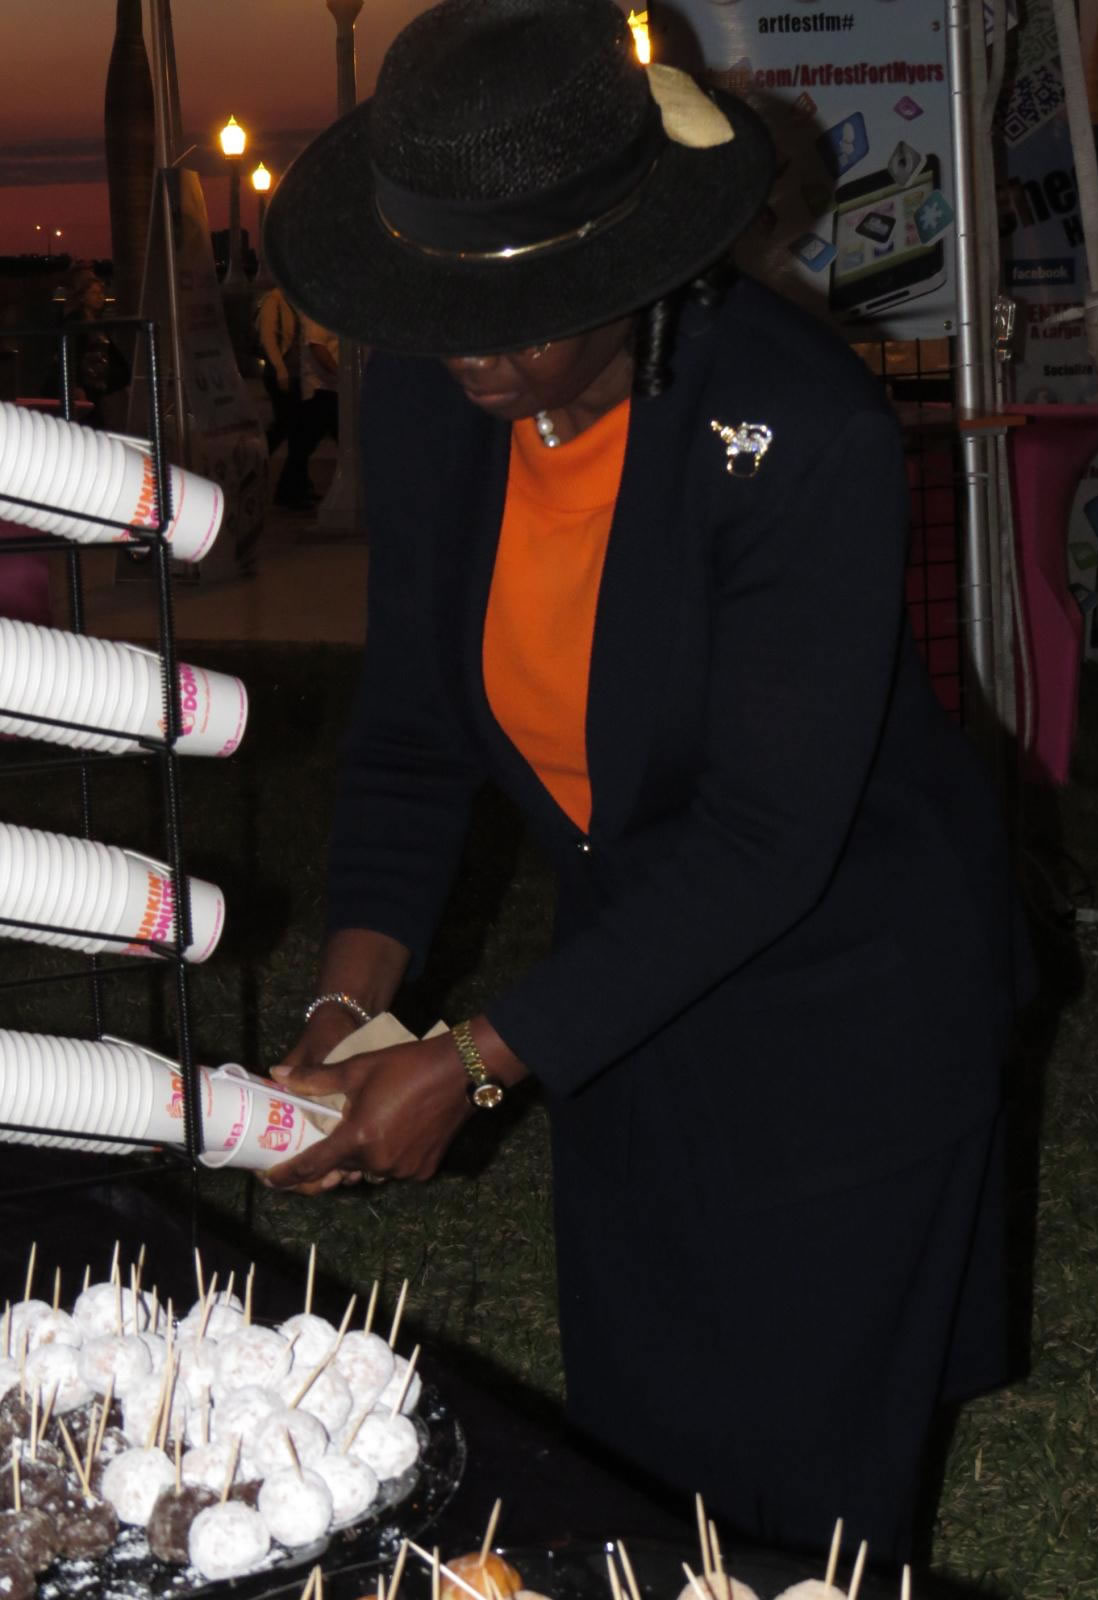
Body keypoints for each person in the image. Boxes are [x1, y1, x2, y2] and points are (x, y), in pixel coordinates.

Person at [262, 0, 1030, 1566]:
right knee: (640, 1459)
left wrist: (475, 1063)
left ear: (630, 262)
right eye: (442, 305)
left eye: (519, 313)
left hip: (854, 1001)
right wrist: (351, 1007)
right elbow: (411, 735)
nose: (475, 352)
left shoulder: (798, 428)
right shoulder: (431, 399)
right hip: (633, 978)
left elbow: (763, 841)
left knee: (803, 1502)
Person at [273, 312, 339, 509]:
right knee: (305, 442)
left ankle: (292, 490)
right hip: (321, 389)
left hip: (331, 388)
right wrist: (340, 373)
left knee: (304, 443)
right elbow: (317, 346)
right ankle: (289, 492)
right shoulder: (316, 315)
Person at [55, 264, 131, 429]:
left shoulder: (96, 323)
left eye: (101, 293)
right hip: (85, 387)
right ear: (82, 297)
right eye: (94, 293)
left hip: (98, 387)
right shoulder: (76, 322)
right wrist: (76, 385)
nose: (100, 298)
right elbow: (71, 354)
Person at [256, 283, 301, 458]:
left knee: (294, 424)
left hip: (297, 373)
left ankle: (295, 469)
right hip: (280, 372)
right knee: (286, 424)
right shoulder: (274, 300)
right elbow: (268, 339)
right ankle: (258, 458)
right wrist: (280, 370)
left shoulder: (296, 301)